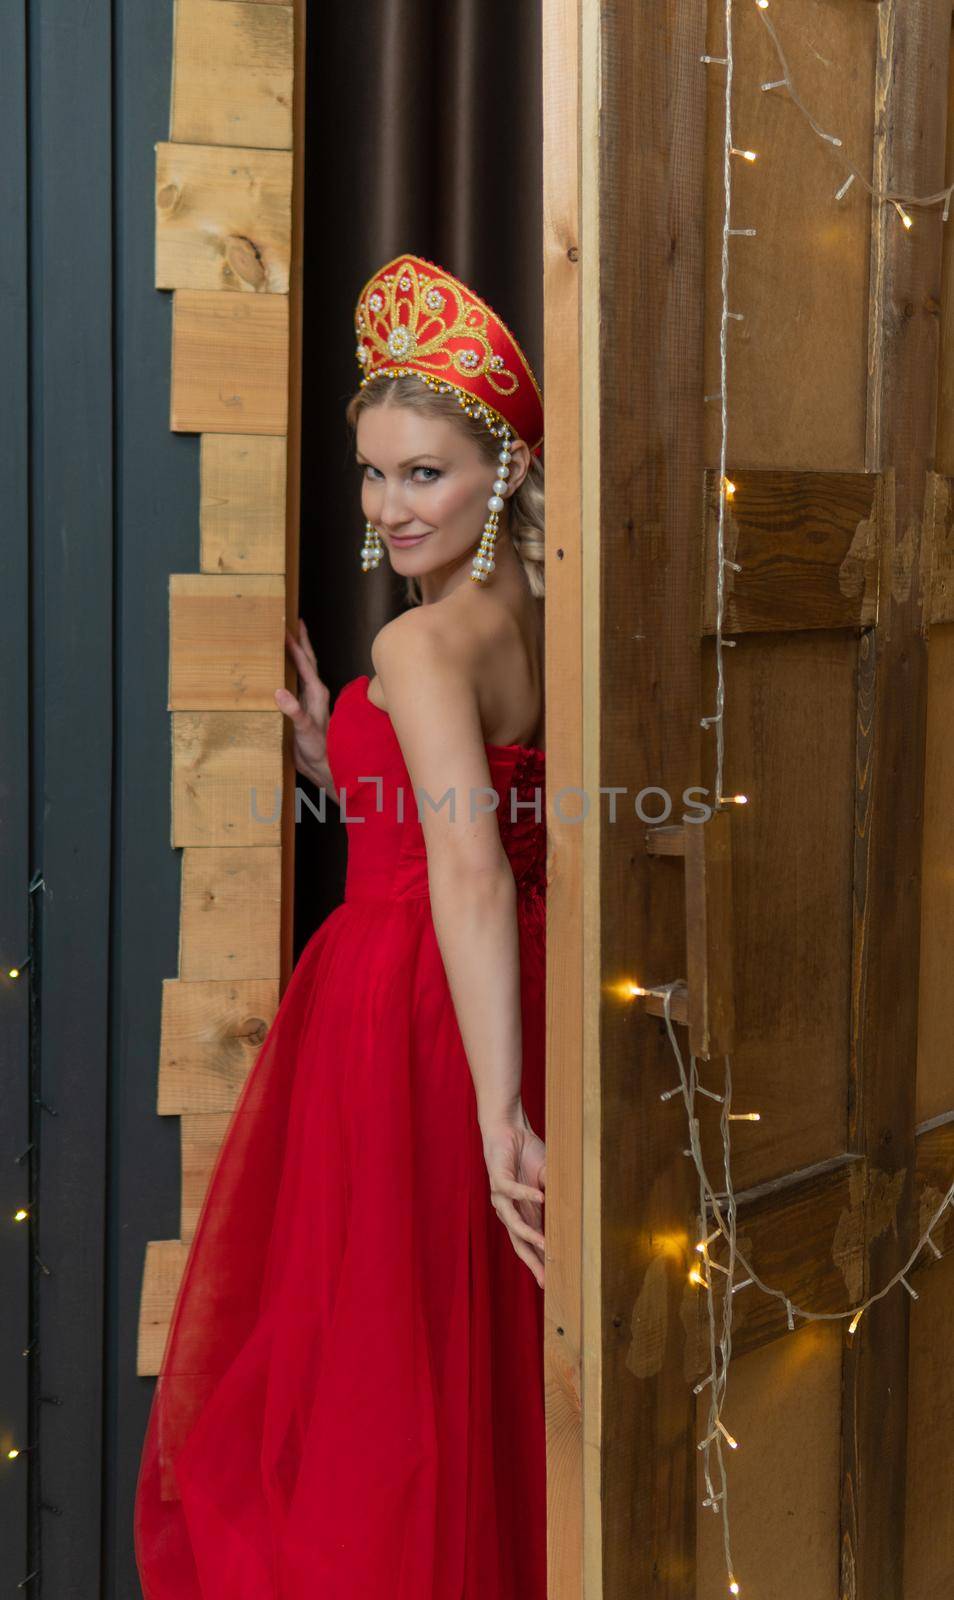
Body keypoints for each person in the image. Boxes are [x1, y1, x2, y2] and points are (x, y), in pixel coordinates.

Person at [134, 252, 548, 1598]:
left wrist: (493, 1118)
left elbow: (470, 873)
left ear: (501, 475)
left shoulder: (420, 648)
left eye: (423, 472)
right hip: (512, 992)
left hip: (412, 1012)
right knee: (479, 1354)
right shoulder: (534, 617)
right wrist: (342, 765)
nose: (388, 504)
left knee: (383, 1363)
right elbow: (494, 808)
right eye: (373, 474)